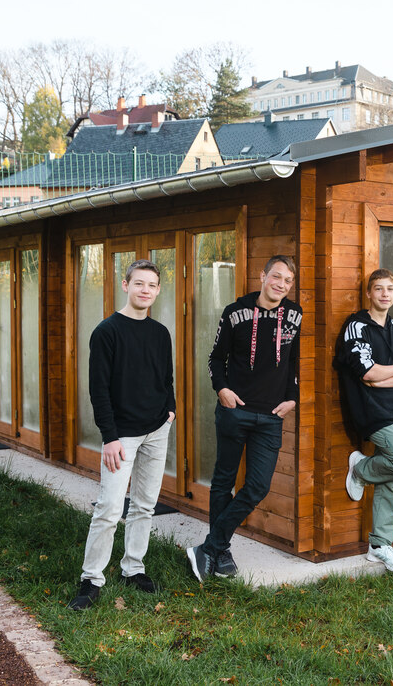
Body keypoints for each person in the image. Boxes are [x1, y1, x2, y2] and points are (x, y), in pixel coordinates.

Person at [69, 259, 176, 610]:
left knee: (144, 505)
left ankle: (133, 567)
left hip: (157, 429)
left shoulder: (160, 333)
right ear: (125, 284)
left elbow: (165, 379)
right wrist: (110, 436)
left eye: (152, 285)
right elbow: (98, 390)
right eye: (139, 283)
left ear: (158, 291)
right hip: (122, 436)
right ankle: (91, 579)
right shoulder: (107, 331)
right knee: (110, 507)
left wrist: (170, 410)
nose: (145, 290)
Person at [186, 255, 302, 580]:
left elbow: (292, 362)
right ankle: (220, 553)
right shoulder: (235, 313)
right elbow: (215, 359)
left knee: (257, 487)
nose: (281, 284)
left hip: (271, 416)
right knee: (223, 480)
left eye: (288, 281)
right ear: (263, 276)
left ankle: (209, 546)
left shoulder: (294, 314)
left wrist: (292, 396)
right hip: (235, 411)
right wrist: (221, 389)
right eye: (276, 277)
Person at [335, 269, 393, 572]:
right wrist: (391, 371)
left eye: (390, 289)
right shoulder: (356, 326)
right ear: (369, 294)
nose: (385, 294)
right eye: (378, 289)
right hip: (370, 410)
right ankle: (359, 468)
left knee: (390, 480)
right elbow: (365, 372)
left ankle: (379, 545)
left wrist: (385, 375)